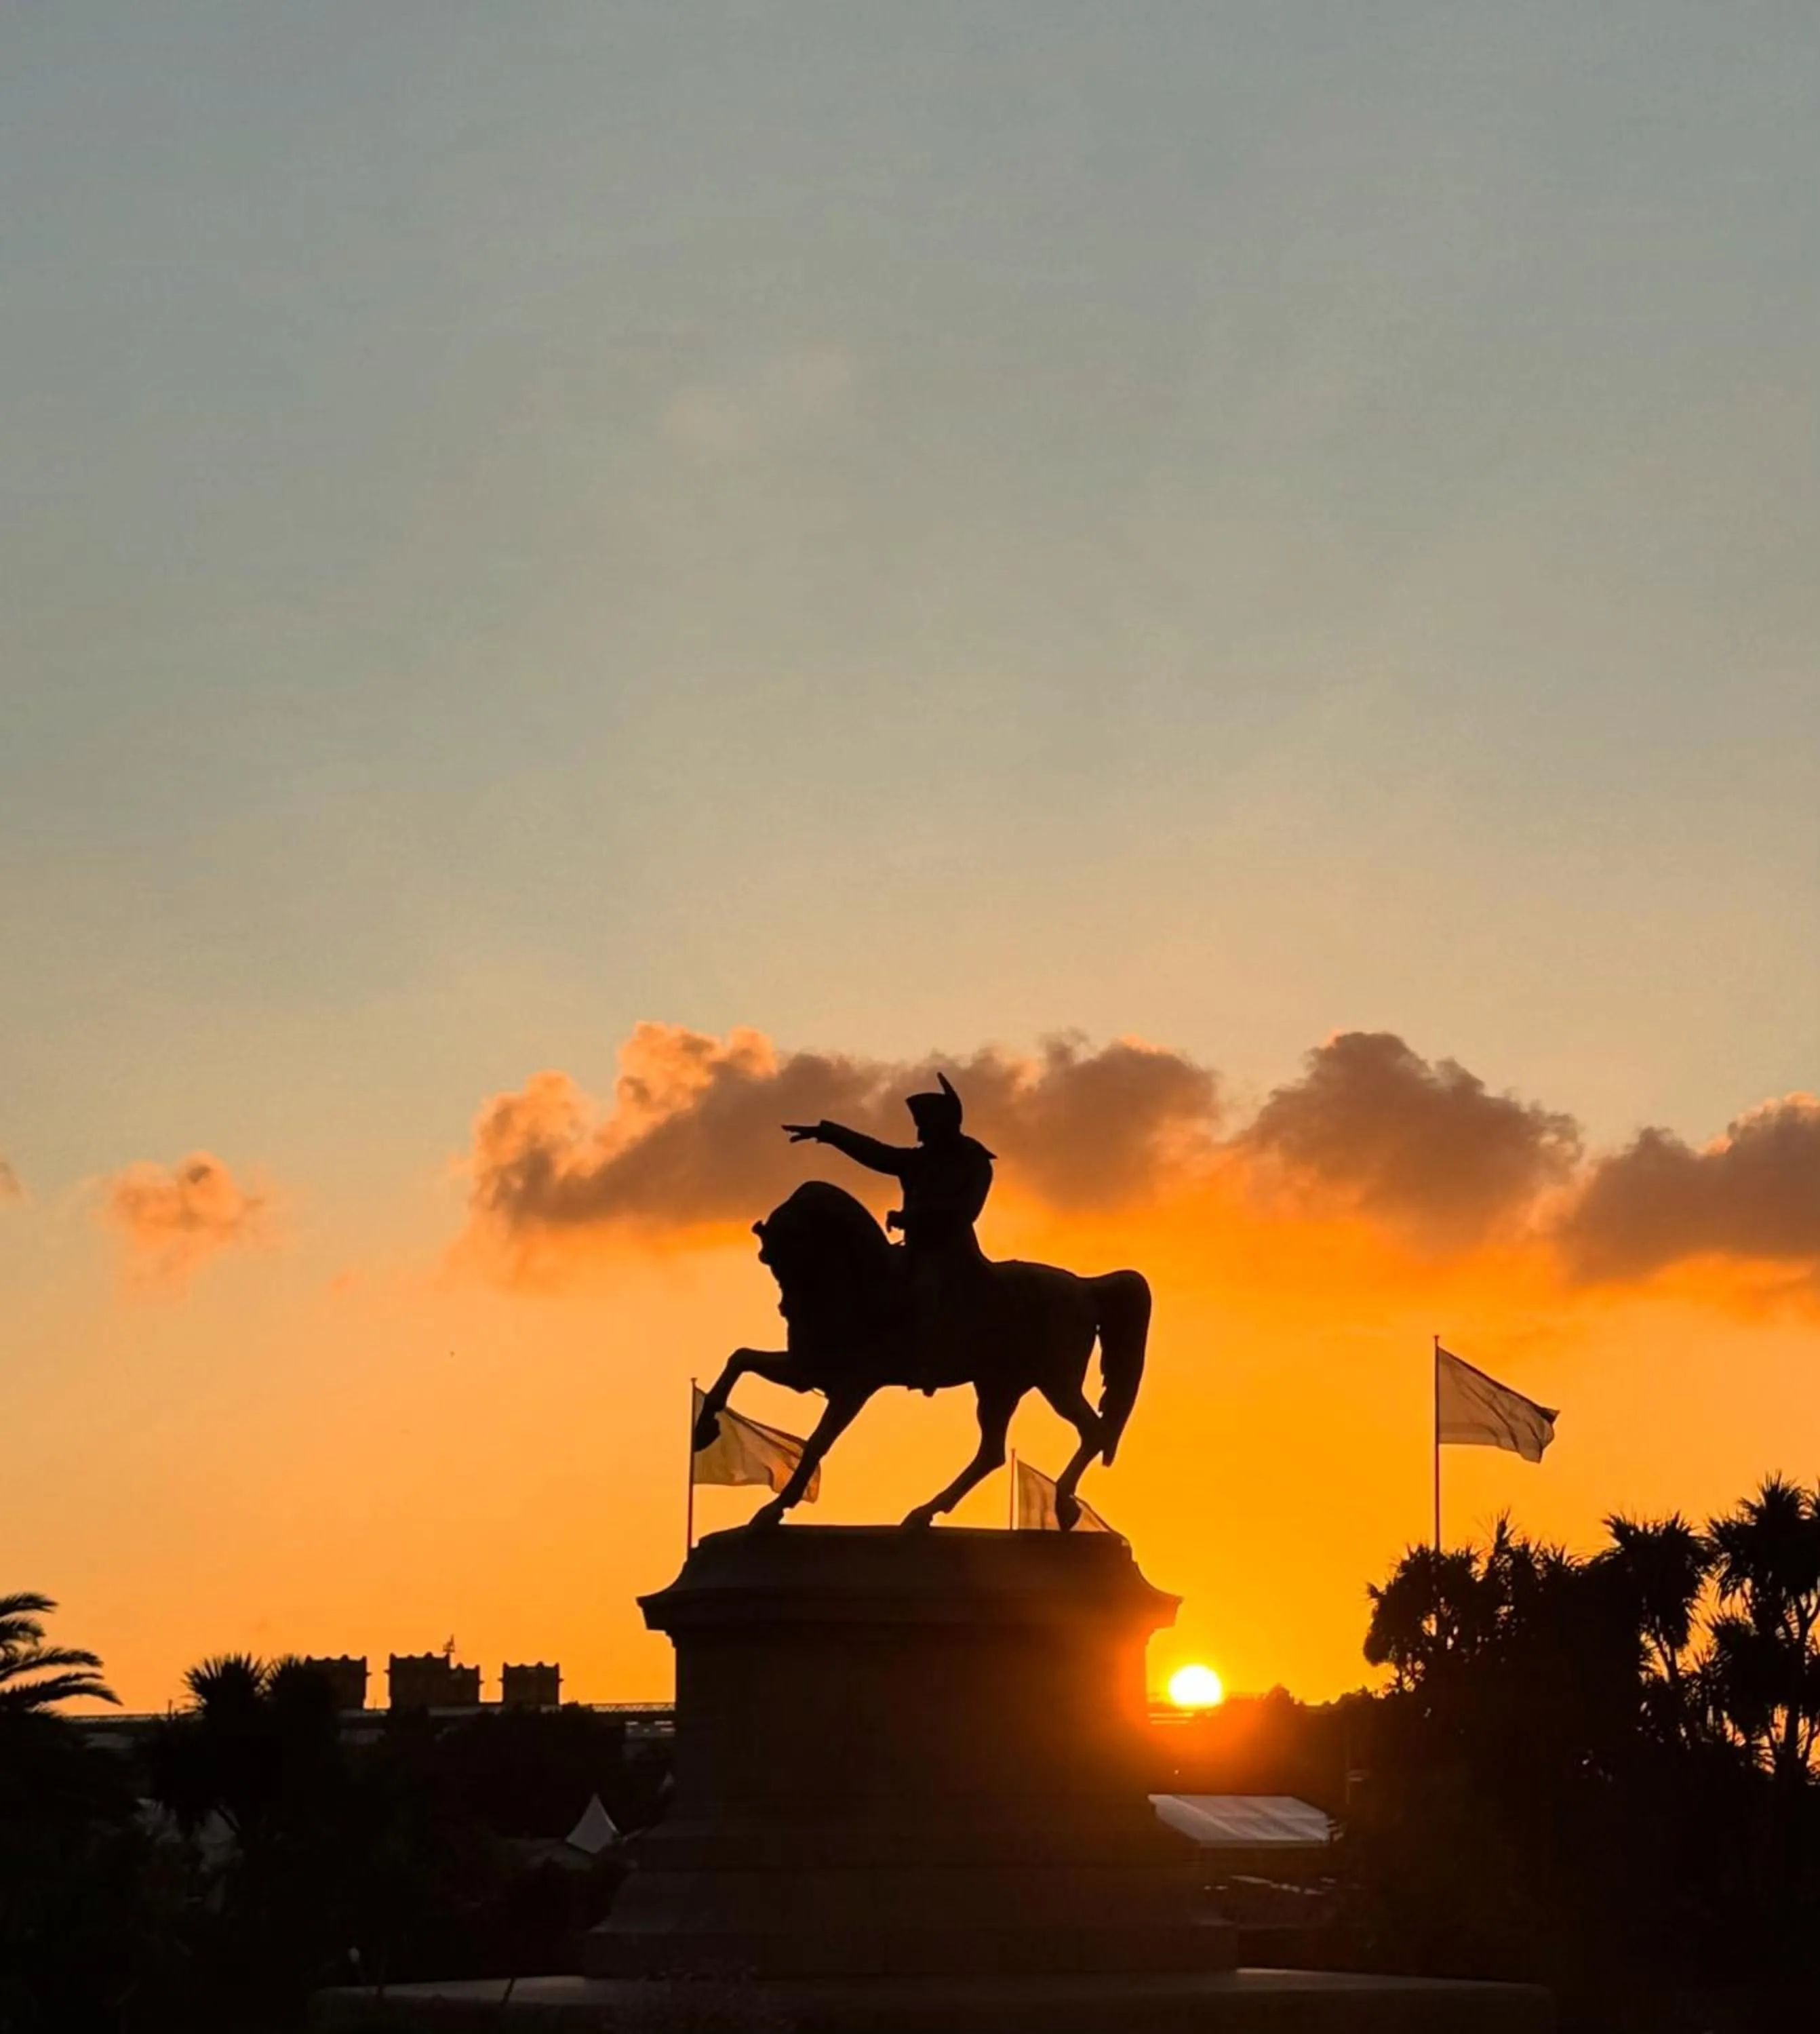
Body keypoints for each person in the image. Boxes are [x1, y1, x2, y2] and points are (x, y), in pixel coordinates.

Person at [783, 1075, 995, 1387]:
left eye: (925, 1126)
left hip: (951, 1252)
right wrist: (828, 1133)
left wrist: (913, 1218)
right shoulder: (919, 1159)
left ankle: (927, 1362)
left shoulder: (974, 1162)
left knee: (925, 1287)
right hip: (915, 1249)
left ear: (944, 1125)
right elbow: (878, 1154)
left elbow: (964, 1210)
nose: (920, 1134)